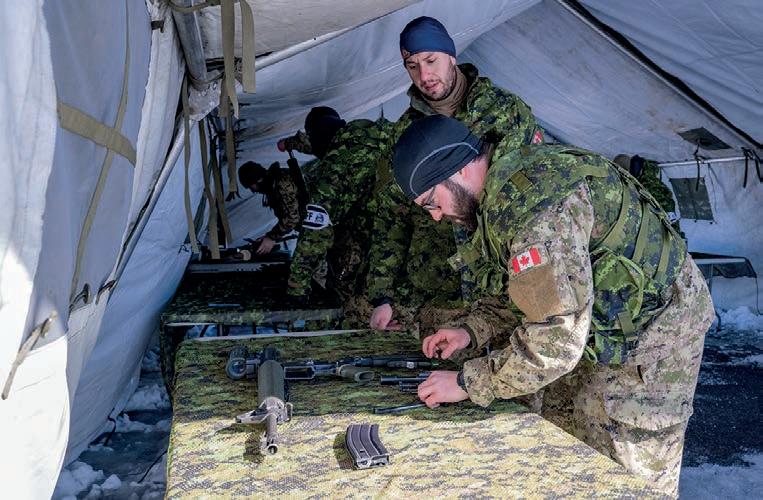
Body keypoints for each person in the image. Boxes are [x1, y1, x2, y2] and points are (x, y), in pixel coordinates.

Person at [392, 115, 714, 496]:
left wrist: (468, 382)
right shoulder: (504, 188)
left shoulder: (534, 206)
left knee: (628, 477)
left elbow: (556, 341)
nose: (435, 216)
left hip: (658, 335)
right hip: (609, 322)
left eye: (432, 202)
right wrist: (470, 331)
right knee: (572, 449)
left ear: (459, 167)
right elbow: (531, 291)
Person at [367, 16, 543, 332]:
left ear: (451, 55)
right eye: (412, 66)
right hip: (439, 290)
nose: (424, 75)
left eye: (431, 60)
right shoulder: (407, 134)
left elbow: (534, 199)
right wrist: (382, 295)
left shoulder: (503, 111)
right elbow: (390, 216)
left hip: (504, 285)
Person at [286, 106, 392, 311]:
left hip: (373, 255)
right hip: (418, 248)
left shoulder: (335, 166)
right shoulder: (385, 136)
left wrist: (297, 286)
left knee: (353, 306)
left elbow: (316, 233)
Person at [238, 161, 300, 254]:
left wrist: (271, 237)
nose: (252, 190)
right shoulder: (272, 185)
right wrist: (269, 237)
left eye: (251, 186)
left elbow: (292, 218)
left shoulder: (282, 183)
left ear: (258, 180)